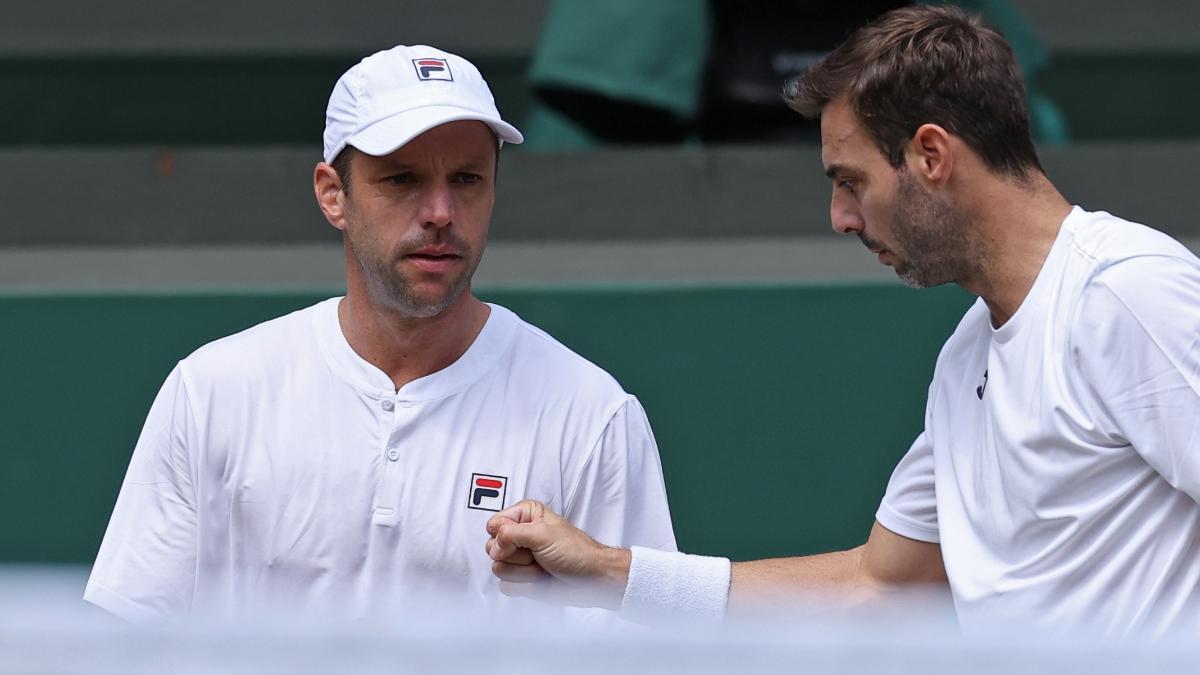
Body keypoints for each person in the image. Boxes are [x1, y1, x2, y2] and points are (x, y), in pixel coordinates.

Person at [485, 5, 1200, 637]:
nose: (840, 218)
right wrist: (611, 572)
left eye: (850, 181)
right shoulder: (967, 354)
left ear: (930, 155)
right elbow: (878, 585)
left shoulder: (1127, 293)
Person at [84, 45, 676, 621]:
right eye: (401, 179)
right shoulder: (212, 392)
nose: (440, 211)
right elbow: (125, 641)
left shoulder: (591, 413)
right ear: (332, 195)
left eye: (467, 178)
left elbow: (650, 655)